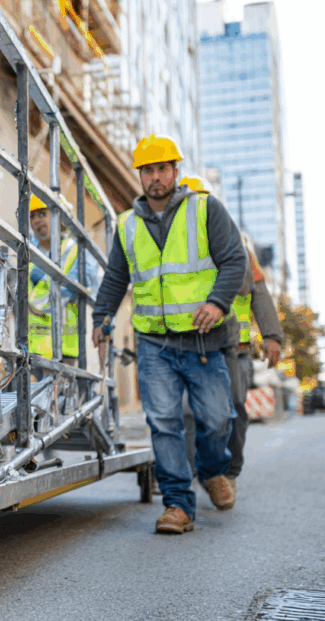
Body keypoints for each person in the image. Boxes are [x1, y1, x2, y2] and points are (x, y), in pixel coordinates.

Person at [92, 134, 247, 535]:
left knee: (216, 420)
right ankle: (178, 504)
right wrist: (101, 316)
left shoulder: (204, 209)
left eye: (163, 168)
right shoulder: (126, 225)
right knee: (163, 423)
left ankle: (212, 470)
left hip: (201, 340)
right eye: (148, 170)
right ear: (140, 176)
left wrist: (216, 303)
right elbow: (115, 277)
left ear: (175, 171)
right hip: (154, 343)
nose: (156, 176)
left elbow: (234, 260)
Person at [180, 177, 283, 492]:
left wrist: (272, 335)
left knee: (233, 408)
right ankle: (188, 475)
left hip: (233, 346)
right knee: (187, 412)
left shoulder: (236, 242)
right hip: (188, 343)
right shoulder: (174, 244)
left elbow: (257, 291)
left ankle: (230, 472)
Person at [27, 194, 101, 367]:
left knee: (60, 393)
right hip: (31, 347)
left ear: (57, 217)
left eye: (42, 214)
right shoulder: (27, 251)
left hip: (63, 347)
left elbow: (80, 290)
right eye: (32, 216)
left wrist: (28, 304)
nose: (37, 220)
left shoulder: (75, 251)